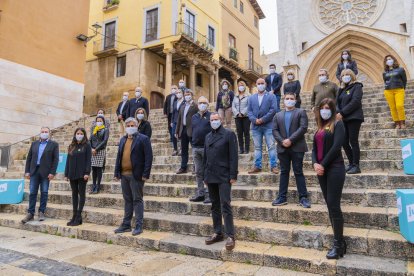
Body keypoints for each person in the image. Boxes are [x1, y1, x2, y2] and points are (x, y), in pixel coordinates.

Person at [312, 98, 347, 260]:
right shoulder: (319, 127)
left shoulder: (338, 124)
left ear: (332, 110)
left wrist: (322, 164)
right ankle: (340, 242)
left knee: (334, 205)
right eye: (322, 108)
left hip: (335, 168)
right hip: (322, 170)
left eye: (327, 108)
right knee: (329, 204)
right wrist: (314, 163)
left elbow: (336, 147)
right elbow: (314, 148)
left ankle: (338, 244)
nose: (324, 110)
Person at [203, 112, 238, 251]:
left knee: (225, 204)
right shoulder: (208, 136)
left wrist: (233, 174)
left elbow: (233, 156)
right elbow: (205, 157)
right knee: (214, 205)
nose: (214, 121)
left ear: (221, 120)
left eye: (216, 119)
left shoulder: (229, 134)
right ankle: (217, 232)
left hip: (224, 175)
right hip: (210, 175)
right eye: (212, 120)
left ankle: (230, 235)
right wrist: (205, 176)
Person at [114, 117, 153, 236]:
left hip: (137, 175)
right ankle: (126, 224)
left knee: (137, 200)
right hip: (124, 175)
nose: (130, 128)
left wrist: (146, 174)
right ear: (125, 127)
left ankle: (139, 225)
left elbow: (148, 157)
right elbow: (118, 157)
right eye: (128, 126)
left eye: (132, 125)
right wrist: (116, 173)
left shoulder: (143, 139)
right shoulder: (122, 140)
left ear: (136, 126)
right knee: (127, 200)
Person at [272, 91, 310, 208]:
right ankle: (282, 197)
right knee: (284, 172)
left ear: (295, 100)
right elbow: (274, 130)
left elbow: (303, 127)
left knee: (298, 171)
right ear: (283, 100)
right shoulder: (277, 115)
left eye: (291, 98)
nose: (289, 100)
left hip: (297, 147)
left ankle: (303, 197)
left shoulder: (301, 112)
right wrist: (283, 141)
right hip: (283, 148)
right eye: (287, 98)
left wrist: (290, 140)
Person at [22, 127, 59, 223]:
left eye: (46, 132)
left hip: (46, 173)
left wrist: (52, 172)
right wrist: (27, 171)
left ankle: (41, 211)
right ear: (40, 133)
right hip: (34, 171)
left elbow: (55, 160)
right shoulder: (34, 144)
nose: (44, 133)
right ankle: (30, 213)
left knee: (44, 192)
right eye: (42, 132)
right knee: (32, 192)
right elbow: (29, 158)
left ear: (49, 133)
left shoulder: (54, 144)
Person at [247, 78, 279, 174]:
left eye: (262, 83)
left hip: (268, 125)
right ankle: (257, 166)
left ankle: (274, 166)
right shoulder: (251, 98)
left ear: (265, 84)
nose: (260, 85)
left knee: (271, 146)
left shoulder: (271, 96)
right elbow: (249, 111)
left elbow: (273, 110)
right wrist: (254, 120)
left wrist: (262, 119)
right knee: (257, 147)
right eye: (258, 83)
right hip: (256, 126)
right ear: (256, 85)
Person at [336, 69, 364, 174]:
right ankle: (351, 163)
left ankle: (356, 165)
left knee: (353, 141)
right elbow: (337, 103)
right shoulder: (341, 89)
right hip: (344, 118)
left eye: (347, 74)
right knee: (344, 141)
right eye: (343, 75)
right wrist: (338, 112)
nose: (345, 76)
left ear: (352, 75)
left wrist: (342, 113)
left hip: (354, 117)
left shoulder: (357, 86)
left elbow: (355, 101)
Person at [64, 128, 91, 226]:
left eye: (81, 133)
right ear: (75, 134)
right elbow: (68, 161)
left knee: (81, 194)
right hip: (72, 174)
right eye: (77, 133)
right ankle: (74, 216)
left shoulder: (87, 145)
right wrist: (66, 174)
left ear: (84, 135)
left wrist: (87, 172)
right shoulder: (71, 146)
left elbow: (88, 160)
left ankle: (79, 216)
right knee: (74, 194)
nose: (79, 135)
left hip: (82, 174)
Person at [189, 96, 211, 204]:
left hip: (207, 148)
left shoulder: (211, 116)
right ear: (198, 105)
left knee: (208, 172)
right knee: (198, 172)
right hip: (195, 148)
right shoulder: (194, 117)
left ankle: (209, 194)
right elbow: (192, 130)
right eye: (200, 102)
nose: (202, 104)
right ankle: (200, 193)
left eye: (204, 102)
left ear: (207, 105)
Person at [175, 89, 198, 174]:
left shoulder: (195, 106)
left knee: (194, 150)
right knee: (184, 150)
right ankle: (183, 167)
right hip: (183, 130)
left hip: (192, 130)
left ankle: (196, 167)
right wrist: (177, 131)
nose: (187, 96)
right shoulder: (182, 106)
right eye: (185, 95)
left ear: (192, 95)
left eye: (188, 94)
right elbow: (179, 119)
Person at [383, 54, 407, 129]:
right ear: (385, 62)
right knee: (392, 107)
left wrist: (403, 88)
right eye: (387, 60)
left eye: (390, 59)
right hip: (388, 91)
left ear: (393, 60)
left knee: (399, 106)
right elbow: (385, 81)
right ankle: (397, 123)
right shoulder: (384, 72)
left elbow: (404, 80)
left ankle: (402, 122)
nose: (389, 61)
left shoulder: (400, 69)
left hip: (399, 90)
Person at [90, 116, 109, 194]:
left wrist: (96, 149)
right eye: (97, 120)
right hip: (92, 151)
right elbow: (89, 140)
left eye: (100, 120)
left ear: (103, 121)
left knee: (98, 169)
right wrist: (91, 149)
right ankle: (93, 185)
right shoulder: (94, 130)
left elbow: (104, 141)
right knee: (93, 169)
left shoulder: (106, 130)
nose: (99, 122)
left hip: (100, 150)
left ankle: (98, 186)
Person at [232, 80, 251, 154]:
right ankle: (241, 149)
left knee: (246, 133)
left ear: (245, 86)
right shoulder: (235, 96)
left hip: (246, 117)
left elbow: (249, 105)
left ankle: (247, 149)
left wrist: (243, 113)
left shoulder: (248, 95)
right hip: (237, 117)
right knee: (239, 133)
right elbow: (233, 106)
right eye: (239, 85)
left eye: (242, 85)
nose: (241, 87)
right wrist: (237, 113)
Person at [171, 89, 185, 156]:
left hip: (182, 121)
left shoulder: (185, 102)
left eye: (179, 92)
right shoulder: (175, 102)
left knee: (181, 135)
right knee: (173, 134)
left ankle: (182, 149)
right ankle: (175, 149)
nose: (178, 94)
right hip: (175, 121)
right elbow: (173, 113)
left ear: (182, 93)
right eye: (177, 93)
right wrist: (171, 121)